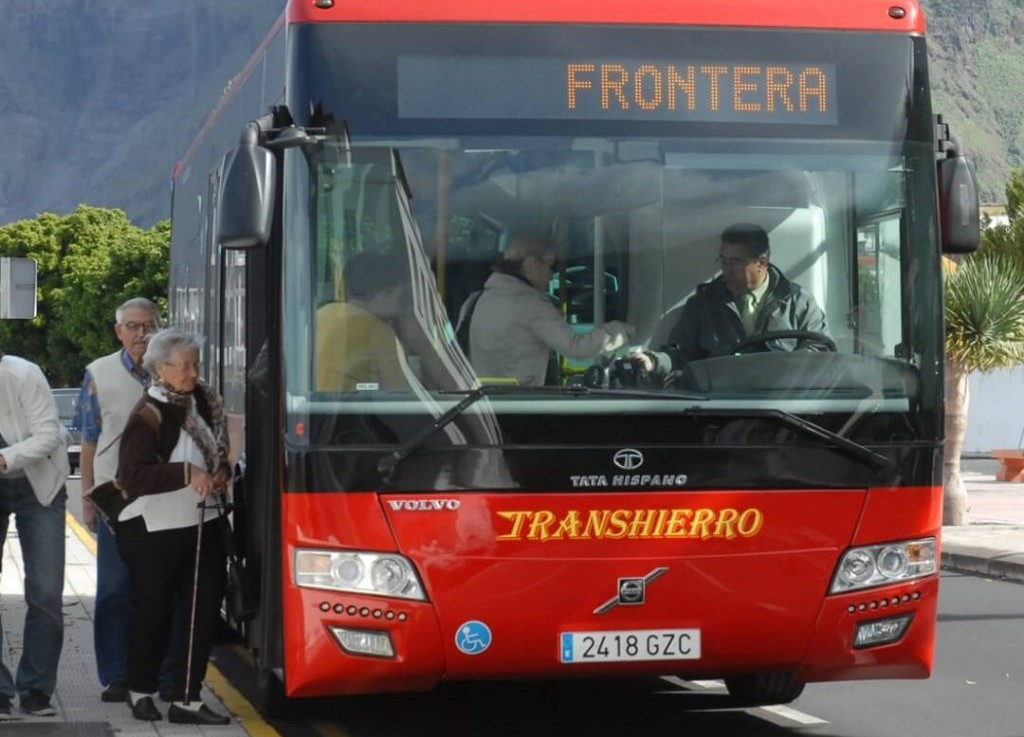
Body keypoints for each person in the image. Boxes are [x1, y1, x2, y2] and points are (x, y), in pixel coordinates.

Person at [114, 330, 231, 725]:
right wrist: (187, 472)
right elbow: (131, 476)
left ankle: (187, 698)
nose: (192, 372)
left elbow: (217, 449)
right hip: (154, 529)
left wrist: (221, 472)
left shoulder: (206, 400)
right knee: (155, 613)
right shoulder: (150, 412)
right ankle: (140, 690)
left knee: (202, 612)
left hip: (204, 522)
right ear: (160, 368)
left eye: (195, 364)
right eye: (184, 366)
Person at [78, 298, 182, 704]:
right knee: (115, 591)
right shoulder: (98, 374)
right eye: (133, 326)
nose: (142, 334)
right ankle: (117, 676)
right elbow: (88, 440)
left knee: (166, 590)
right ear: (118, 331)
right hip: (115, 497)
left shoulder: (178, 368)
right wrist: (87, 498)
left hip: (169, 495)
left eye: (149, 325)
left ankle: (168, 674)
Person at [637, 223, 830, 375]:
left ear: (762, 262)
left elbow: (821, 350)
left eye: (735, 263)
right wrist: (653, 361)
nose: (726, 271)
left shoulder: (798, 302)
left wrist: (789, 369)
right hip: (721, 409)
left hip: (783, 409)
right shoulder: (704, 304)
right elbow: (680, 354)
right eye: (723, 261)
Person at [0, 350, 70, 719]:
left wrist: (3, 458)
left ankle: (36, 689)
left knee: (45, 590)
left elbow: (47, 435)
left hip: (38, 483)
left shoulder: (23, 373)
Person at [467, 235, 635, 386]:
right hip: (520, 404)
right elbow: (576, 348)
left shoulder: (475, 300)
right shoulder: (533, 305)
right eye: (548, 265)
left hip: (481, 405)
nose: (551, 274)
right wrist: (618, 331)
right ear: (531, 263)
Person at [315, 252, 413, 392]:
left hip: (311, 407)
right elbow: (398, 394)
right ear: (384, 294)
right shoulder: (379, 332)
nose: (400, 307)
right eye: (400, 297)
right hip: (345, 411)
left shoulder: (319, 316)